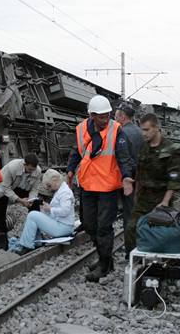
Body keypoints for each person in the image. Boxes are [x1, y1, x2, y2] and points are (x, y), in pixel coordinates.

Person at [67, 95, 135, 282]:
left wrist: (127, 177)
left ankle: (105, 265)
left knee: (104, 228)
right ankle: (105, 258)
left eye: (108, 116)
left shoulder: (117, 131)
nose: (105, 120)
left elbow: (123, 156)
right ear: (92, 115)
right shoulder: (82, 129)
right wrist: (70, 171)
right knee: (89, 224)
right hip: (88, 185)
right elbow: (76, 151)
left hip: (107, 187)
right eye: (101, 117)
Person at [124, 113, 180, 256]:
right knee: (131, 229)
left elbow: (174, 179)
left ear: (157, 128)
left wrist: (165, 202)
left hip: (161, 199)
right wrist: (134, 189)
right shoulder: (144, 147)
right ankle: (134, 261)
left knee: (160, 235)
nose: (143, 133)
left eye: (146, 130)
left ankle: (160, 264)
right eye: (142, 130)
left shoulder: (172, 149)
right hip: (144, 198)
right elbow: (140, 172)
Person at [12, 169, 75, 254]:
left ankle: (27, 246)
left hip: (63, 228)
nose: (49, 189)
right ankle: (37, 242)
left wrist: (50, 209)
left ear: (55, 180)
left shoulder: (65, 192)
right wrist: (47, 210)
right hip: (63, 225)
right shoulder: (61, 190)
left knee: (32, 215)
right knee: (37, 216)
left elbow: (65, 211)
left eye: (49, 185)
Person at [0, 154, 43, 233]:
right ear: (24, 164)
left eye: (33, 169)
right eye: (30, 169)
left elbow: (35, 188)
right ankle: (1, 230)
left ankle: (36, 228)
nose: (31, 172)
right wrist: (20, 200)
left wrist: (31, 199)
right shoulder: (12, 167)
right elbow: (5, 188)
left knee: (35, 202)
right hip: (4, 187)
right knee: (1, 200)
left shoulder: (37, 171)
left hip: (21, 187)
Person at [114, 105, 143, 234]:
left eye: (116, 116)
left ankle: (130, 243)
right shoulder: (140, 131)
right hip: (140, 176)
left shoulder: (121, 132)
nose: (114, 118)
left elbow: (122, 157)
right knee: (135, 209)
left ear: (122, 116)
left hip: (126, 177)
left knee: (128, 211)